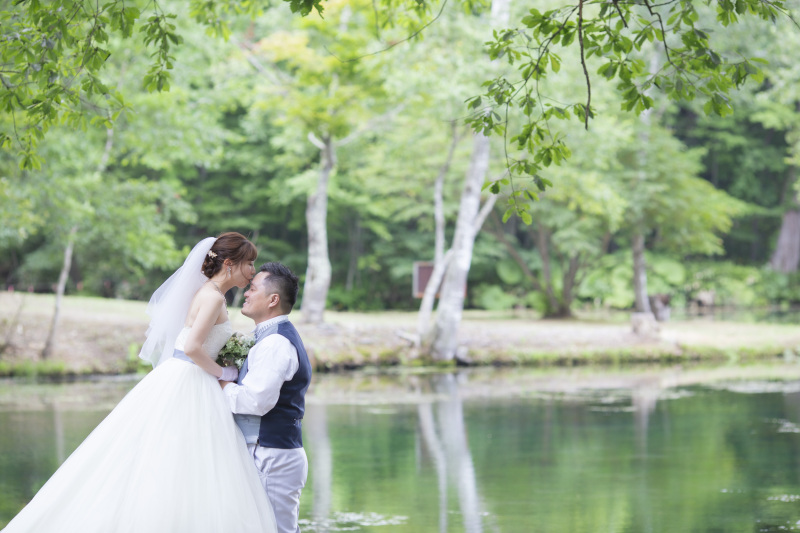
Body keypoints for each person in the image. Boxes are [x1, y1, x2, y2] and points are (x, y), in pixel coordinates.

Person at [1, 233, 278, 533]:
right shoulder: (212, 297)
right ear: (229, 263)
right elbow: (193, 348)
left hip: (183, 377)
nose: (253, 271)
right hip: (191, 380)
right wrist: (224, 373)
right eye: (249, 263)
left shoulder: (209, 293)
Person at [221, 262, 311, 533]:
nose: (246, 293)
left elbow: (255, 402)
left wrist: (222, 383)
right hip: (267, 451)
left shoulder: (276, 343)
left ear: (273, 300)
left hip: (274, 456)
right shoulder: (268, 338)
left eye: (252, 288)